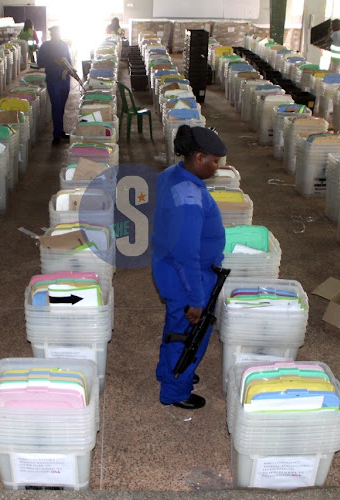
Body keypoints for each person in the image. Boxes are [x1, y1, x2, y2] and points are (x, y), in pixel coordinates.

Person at [152, 125, 228, 410]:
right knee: (189, 336)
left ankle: (169, 371)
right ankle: (175, 390)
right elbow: (187, 254)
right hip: (187, 276)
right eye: (214, 161)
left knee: (176, 329)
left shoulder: (171, 175)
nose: (216, 168)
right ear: (198, 157)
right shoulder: (189, 201)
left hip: (169, 267)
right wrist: (196, 300)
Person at [37, 26, 72, 145]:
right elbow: (40, 63)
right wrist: (53, 62)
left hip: (64, 79)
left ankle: (60, 130)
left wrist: (72, 71)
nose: (57, 36)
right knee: (56, 105)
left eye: (58, 34)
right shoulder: (45, 46)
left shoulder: (64, 45)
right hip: (53, 80)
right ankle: (56, 135)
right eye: (55, 34)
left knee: (61, 106)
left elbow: (69, 60)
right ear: (51, 35)